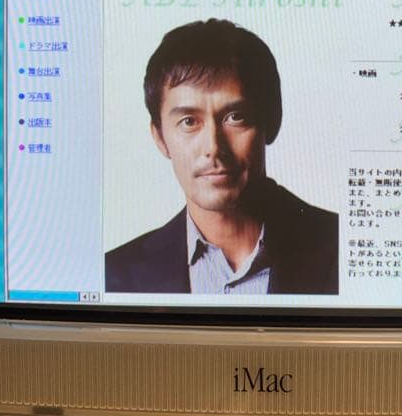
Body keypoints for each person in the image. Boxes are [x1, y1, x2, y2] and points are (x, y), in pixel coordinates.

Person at [105, 19, 338, 295]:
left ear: (272, 121)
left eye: (235, 117)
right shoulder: (115, 273)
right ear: (160, 137)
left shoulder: (339, 246)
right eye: (189, 122)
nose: (214, 147)